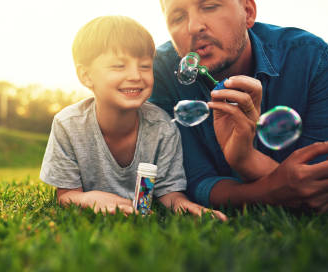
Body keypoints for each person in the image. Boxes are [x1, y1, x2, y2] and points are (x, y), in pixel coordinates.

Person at [149, 0, 328, 213]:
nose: (194, 26)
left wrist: (247, 159)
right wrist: (269, 190)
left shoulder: (308, 57)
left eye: (209, 6)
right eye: (177, 17)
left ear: (248, 12)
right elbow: (192, 182)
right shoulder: (159, 70)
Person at [40, 15, 227, 220]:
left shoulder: (162, 127)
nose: (136, 76)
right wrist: (90, 199)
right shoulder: (68, 125)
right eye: (119, 66)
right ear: (86, 76)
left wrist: (187, 206)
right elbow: (66, 195)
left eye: (145, 66)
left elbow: (169, 193)